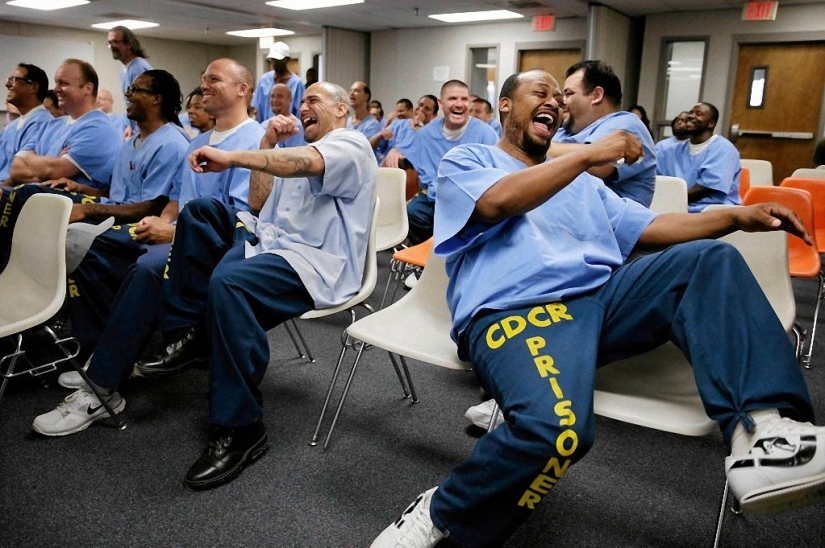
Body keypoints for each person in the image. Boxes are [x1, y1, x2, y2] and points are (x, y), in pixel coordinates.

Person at [372, 69, 825, 548]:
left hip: (599, 302)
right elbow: (498, 202)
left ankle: (763, 432)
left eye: (559, 98)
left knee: (709, 261)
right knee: (560, 434)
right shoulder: (471, 158)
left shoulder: (583, 186)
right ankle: (440, 511)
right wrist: (588, 154)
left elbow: (651, 228)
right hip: (512, 309)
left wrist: (735, 216)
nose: (554, 102)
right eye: (540, 92)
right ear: (505, 104)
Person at [36, 81, 378, 495]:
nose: (303, 106)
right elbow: (258, 203)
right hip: (268, 240)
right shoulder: (291, 149)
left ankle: (241, 428)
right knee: (200, 213)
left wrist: (234, 156)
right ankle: (190, 334)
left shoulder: (350, 144)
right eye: (302, 100)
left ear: (341, 110)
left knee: (229, 284)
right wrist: (268, 141)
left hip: (315, 261)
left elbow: (304, 163)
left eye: (314, 101)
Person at [31, 58, 265, 427]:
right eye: (202, 78)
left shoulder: (255, 140)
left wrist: (175, 232)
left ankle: (101, 390)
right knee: (92, 250)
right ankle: (109, 351)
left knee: (148, 269)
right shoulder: (199, 142)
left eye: (214, 79)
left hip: (223, 247)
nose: (204, 85)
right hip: (183, 237)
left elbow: (243, 218)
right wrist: (165, 221)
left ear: (242, 89)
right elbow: (179, 202)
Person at [44, 69, 189, 367]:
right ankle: (80, 333)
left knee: (78, 245)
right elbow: (117, 193)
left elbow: (150, 207)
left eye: (136, 90)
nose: (128, 95)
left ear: (157, 98)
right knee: (49, 213)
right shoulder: (131, 142)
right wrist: (83, 190)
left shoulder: (171, 143)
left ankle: (98, 347)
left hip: (142, 224)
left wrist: (88, 210)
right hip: (118, 215)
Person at [550, 60, 656, 207]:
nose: (562, 102)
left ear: (596, 95)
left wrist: (536, 147)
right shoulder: (565, 130)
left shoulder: (627, 125)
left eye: (569, 94)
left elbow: (596, 164)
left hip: (606, 220)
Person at [5, 59, 120, 192]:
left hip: (67, 202)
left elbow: (55, 171)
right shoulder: (51, 125)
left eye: (64, 83)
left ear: (87, 89)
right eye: (56, 83)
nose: (56, 89)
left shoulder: (98, 128)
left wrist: (29, 158)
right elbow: (16, 169)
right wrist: (50, 163)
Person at [405, 80, 498, 244]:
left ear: (469, 103)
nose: (459, 104)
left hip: (473, 203)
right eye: (453, 98)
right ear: (441, 103)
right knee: (412, 211)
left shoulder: (486, 134)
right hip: (436, 199)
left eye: (464, 99)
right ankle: (427, 254)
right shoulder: (426, 134)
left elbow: (494, 177)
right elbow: (426, 176)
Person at [656, 101, 741, 212]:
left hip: (712, 211)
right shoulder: (670, 151)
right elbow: (655, 180)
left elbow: (708, 188)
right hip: (675, 208)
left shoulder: (724, 149)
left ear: (711, 124)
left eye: (698, 114)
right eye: (691, 112)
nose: (691, 116)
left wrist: (673, 200)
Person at [0, 63, 52, 183]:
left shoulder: (43, 123)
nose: (7, 85)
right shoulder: (11, 127)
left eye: (14, 80)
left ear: (33, 87)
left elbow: (21, 173)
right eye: (9, 80)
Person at [107, 26, 152, 135]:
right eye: (110, 43)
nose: (112, 46)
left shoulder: (139, 68)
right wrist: (130, 125)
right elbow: (130, 102)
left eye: (115, 42)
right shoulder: (124, 69)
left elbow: (144, 103)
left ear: (129, 44)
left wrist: (140, 129)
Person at [251, 41, 304, 122]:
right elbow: (257, 109)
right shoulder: (264, 81)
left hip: (288, 127)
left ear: (287, 60)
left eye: (279, 60)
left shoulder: (297, 83)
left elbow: (300, 111)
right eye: (273, 60)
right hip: (265, 126)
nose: (276, 63)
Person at [260, 83, 305, 148]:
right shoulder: (263, 126)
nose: (275, 100)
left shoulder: (298, 128)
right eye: (272, 96)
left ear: (290, 100)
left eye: (279, 96)